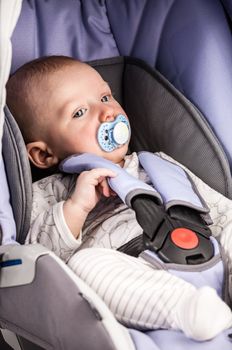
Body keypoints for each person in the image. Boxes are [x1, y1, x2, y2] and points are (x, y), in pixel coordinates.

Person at [6, 55, 232, 341]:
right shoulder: (50, 194)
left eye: (105, 96)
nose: (107, 113)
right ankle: (186, 310)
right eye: (79, 112)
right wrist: (76, 208)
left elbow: (220, 211)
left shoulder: (159, 165)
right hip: (135, 279)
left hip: (204, 254)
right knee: (85, 266)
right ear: (44, 154)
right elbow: (42, 263)